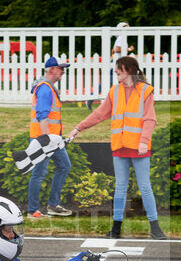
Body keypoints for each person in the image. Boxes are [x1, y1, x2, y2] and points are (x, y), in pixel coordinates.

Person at [69, 55, 166, 240]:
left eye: (118, 69)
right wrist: (78, 128)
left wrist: (144, 141)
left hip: (139, 148)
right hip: (120, 147)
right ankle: (115, 229)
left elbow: (150, 119)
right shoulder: (114, 91)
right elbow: (99, 114)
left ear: (128, 70)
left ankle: (155, 227)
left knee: (145, 187)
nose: (116, 72)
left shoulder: (145, 91)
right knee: (120, 187)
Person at [28, 56, 73, 219]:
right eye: (61, 68)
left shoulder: (48, 87)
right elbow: (42, 115)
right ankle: (33, 210)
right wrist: (46, 140)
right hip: (44, 139)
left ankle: (53, 205)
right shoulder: (45, 88)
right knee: (39, 174)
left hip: (53, 140)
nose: (63, 72)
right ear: (52, 70)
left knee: (64, 166)